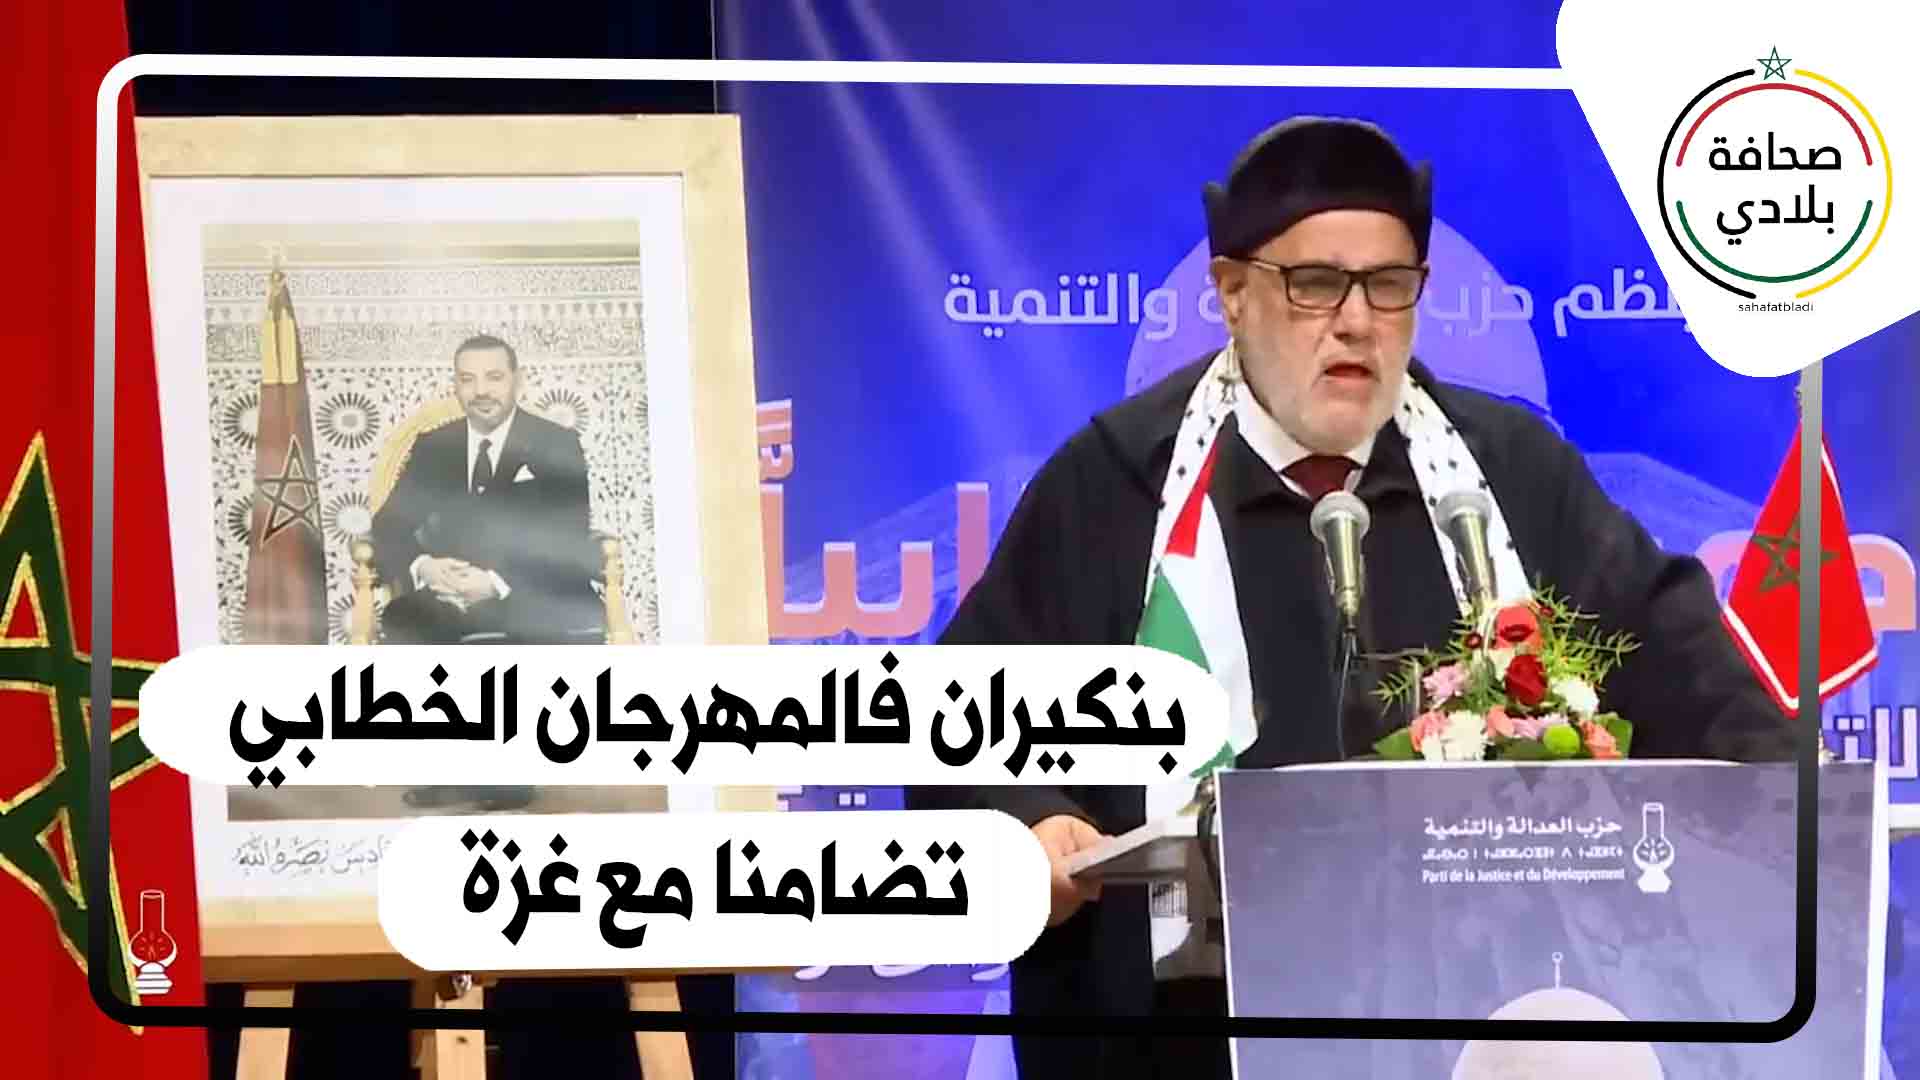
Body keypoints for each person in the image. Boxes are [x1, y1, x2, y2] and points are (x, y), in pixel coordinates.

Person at [908, 116, 1793, 1079]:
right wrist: (1031, 821)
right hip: (1187, 1041)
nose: (1358, 320)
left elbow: (1687, 674)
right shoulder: (1116, 486)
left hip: (1469, 1031)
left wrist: (1796, 805)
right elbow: (966, 721)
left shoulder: (1506, 475)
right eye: (1315, 284)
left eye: (1388, 284)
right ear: (1233, 294)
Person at [370, 332, 605, 648]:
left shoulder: (556, 443)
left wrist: (496, 583)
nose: (481, 391)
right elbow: (387, 525)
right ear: (455, 385)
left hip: (534, 593)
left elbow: (568, 533)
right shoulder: (434, 447)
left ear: (517, 380)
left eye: (494, 377)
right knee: (404, 619)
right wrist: (424, 567)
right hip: (448, 600)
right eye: (468, 379)